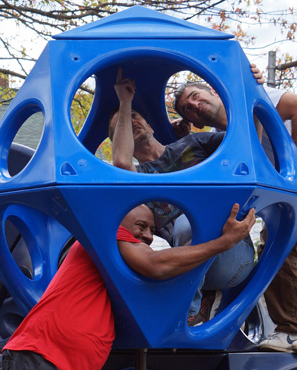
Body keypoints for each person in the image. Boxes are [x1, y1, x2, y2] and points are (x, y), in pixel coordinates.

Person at [173, 81, 297, 353]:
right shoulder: (222, 139)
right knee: (275, 241)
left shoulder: (248, 95)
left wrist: (290, 170)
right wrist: (179, 138)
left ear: (214, 92)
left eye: (196, 96)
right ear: (194, 123)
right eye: (189, 109)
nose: (195, 105)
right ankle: (290, 329)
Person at [1, 203, 256, 370]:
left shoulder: (117, 274)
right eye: (141, 226)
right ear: (119, 224)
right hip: (40, 357)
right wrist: (223, 243)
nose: (148, 236)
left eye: (152, 230)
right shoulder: (106, 237)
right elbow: (156, 265)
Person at [109, 68, 256, 325]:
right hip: (188, 263)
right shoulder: (135, 176)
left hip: (234, 253)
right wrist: (125, 103)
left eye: (135, 116)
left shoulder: (194, 143)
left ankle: (187, 313)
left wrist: (248, 84)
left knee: (190, 221)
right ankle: (196, 306)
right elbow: (122, 162)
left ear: (151, 125)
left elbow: (247, 141)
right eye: (122, 123)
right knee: (183, 226)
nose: (131, 121)